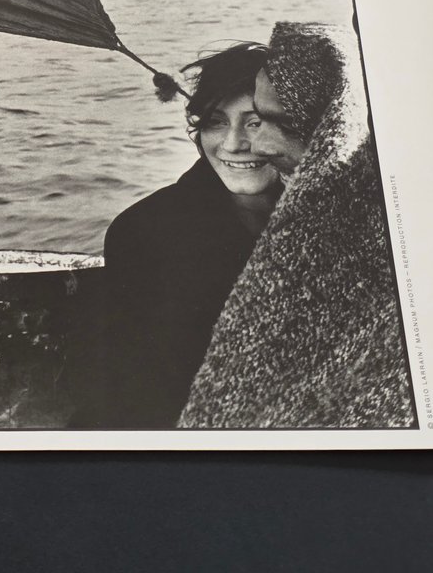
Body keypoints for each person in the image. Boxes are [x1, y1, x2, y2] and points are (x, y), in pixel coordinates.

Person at [178, 22, 416, 429]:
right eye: (215, 121)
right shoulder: (157, 230)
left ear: (337, 129)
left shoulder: (389, 231)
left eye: (277, 124)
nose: (255, 145)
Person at [96, 42, 282, 429]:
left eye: (255, 122)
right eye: (216, 121)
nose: (233, 144)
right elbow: (130, 388)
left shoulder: (340, 217)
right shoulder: (144, 233)